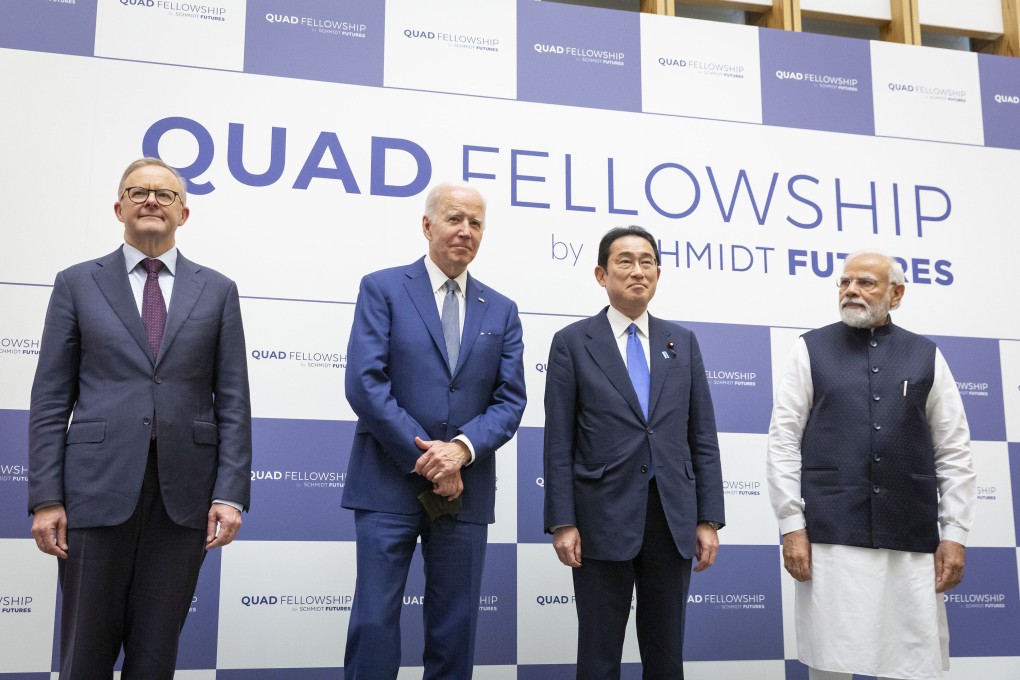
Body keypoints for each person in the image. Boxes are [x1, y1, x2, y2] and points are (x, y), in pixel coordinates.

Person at [28, 157, 252, 679]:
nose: (151, 201)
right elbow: (50, 399)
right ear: (118, 207)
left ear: (184, 213)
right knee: (84, 656)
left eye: (165, 194)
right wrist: (46, 498)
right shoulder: (77, 283)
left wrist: (229, 493)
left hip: (183, 501)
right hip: (94, 493)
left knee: (155, 658)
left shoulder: (217, 290)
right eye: (138, 192)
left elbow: (234, 401)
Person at [341, 182, 527, 679]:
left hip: (465, 487)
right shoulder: (382, 287)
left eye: (476, 223)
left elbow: (510, 401)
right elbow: (364, 383)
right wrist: (428, 457)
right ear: (427, 225)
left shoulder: (502, 309)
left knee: (455, 627)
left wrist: (460, 452)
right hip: (387, 481)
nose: (465, 231)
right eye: (454, 219)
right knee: (375, 623)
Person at [766, 250, 976, 680]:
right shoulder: (810, 348)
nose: (851, 292)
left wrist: (954, 535)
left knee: (910, 662)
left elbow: (954, 449)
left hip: (910, 537)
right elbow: (783, 441)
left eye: (866, 283)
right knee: (831, 662)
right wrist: (791, 526)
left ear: (896, 294)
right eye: (844, 283)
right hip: (831, 535)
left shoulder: (926, 354)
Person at [543, 225, 725, 679]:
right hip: (600, 516)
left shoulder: (681, 342)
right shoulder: (572, 342)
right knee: (599, 653)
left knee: (666, 655)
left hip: (671, 516)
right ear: (601, 274)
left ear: (658, 274)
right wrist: (563, 521)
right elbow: (558, 441)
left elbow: (702, 436)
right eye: (625, 261)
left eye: (647, 262)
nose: (637, 271)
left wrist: (708, 517)